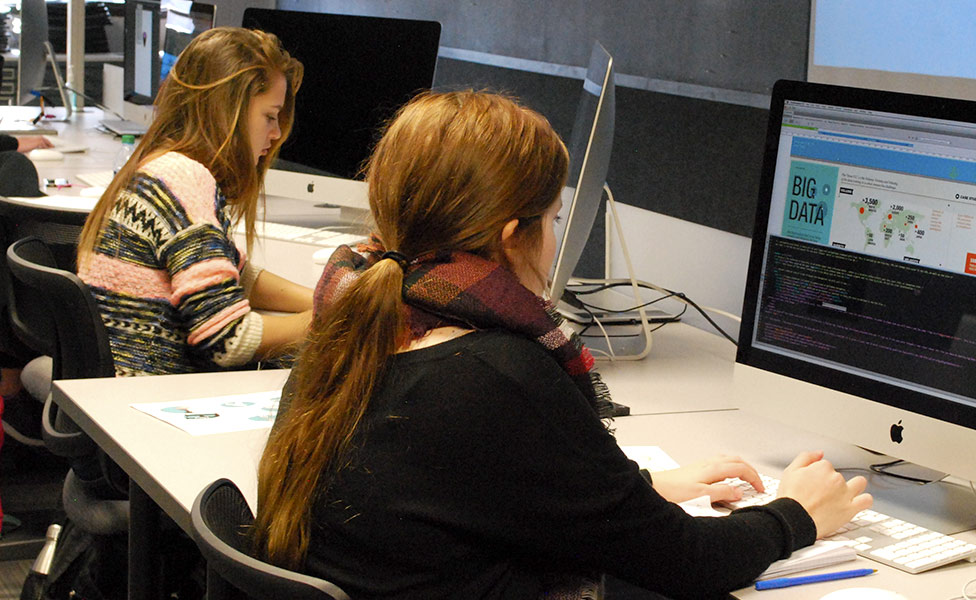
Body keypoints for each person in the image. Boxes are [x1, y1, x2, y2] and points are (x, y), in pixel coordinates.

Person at [255, 91, 873, 600]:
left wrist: (641, 490)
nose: (556, 242)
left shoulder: (357, 317)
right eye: (552, 219)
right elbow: (694, 565)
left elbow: (474, 485)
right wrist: (797, 513)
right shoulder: (492, 372)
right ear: (508, 236)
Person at [77, 27, 313, 376]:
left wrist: (321, 298)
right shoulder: (184, 179)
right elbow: (228, 341)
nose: (276, 133)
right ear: (227, 112)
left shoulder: (160, 165)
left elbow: (227, 272)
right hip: (155, 392)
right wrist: (335, 320)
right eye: (269, 116)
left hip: (126, 387)